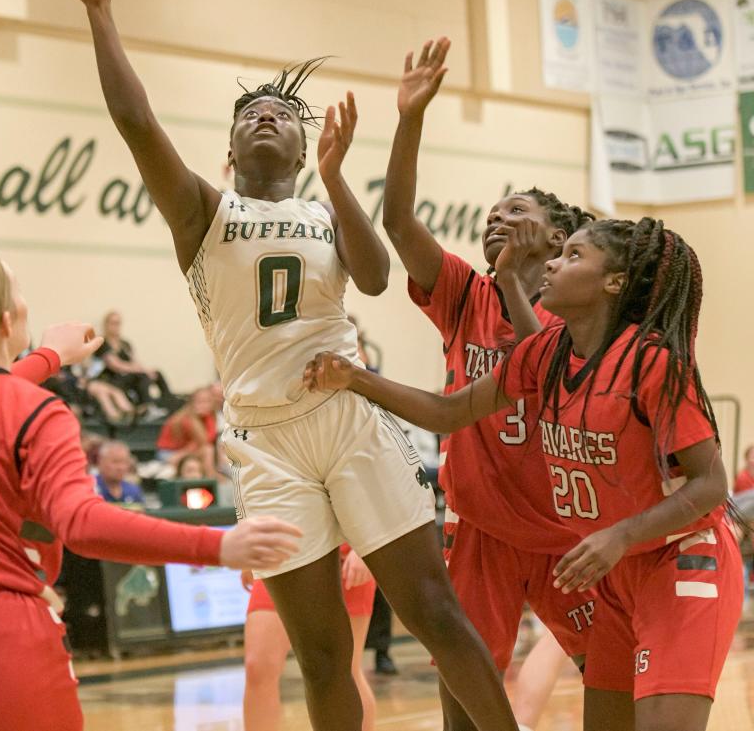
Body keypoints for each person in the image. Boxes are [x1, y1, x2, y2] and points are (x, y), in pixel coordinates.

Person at [47, 0, 521, 731]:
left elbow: (371, 277)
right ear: (231, 149)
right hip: (265, 443)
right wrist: (101, 12)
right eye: (250, 114)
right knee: (323, 655)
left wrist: (336, 178)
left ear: (303, 148)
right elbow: (137, 122)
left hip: (348, 417)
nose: (266, 116)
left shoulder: (325, 209)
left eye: (283, 113)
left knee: (434, 611)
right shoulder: (203, 209)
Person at [0, 248, 301, 731]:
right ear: (7, 322)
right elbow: (82, 523)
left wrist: (49, 357)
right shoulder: (38, 411)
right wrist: (219, 544)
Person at [305, 217, 743, 731]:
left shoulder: (653, 362)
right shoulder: (546, 354)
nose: (554, 263)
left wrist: (619, 535)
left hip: (680, 560)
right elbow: (449, 413)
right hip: (617, 574)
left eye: (574, 256)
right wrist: (354, 378)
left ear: (615, 283)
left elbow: (712, 484)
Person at [382, 38, 597, 730]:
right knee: (464, 708)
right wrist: (410, 117)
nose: (494, 218)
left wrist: (511, 280)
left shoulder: (585, 312)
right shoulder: (461, 294)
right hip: (479, 532)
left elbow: (550, 365)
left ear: (557, 235)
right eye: (490, 213)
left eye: (513, 209)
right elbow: (397, 221)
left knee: (620, 682)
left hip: (570, 533)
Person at [242, 545, 376, 731]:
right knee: (258, 666)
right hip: (282, 552)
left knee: (344, 671)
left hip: (343, 551)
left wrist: (365, 549)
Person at [96, 310, 173, 417]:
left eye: (118, 323)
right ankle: (147, 407)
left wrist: (146, 370)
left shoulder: (125, 343)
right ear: (106, 324)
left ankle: (169, 402)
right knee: (141, 376)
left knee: (156, 373)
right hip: (112, 379)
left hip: (129, 376)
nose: (116, 326)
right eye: (113, 323)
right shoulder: (102, 343)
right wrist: (141, 371)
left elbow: (135, 361)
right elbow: (115, 365)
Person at [157, 387, 218, 476]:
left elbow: (209, 439)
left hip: (184, 452)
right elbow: (201, 442)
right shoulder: (184, 418)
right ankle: (211, 477)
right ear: (192, 403)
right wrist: (195, 419)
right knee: (207, 450)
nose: (203, 405)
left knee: (208, 450)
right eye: (199, 401)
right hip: (168, 453)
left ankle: (211, 477)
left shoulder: (209, 417)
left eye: (207, 401)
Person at [94, 440, 145, 505]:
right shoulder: (90, 488)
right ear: (100, 461)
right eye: (115, 462)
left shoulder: (134, 490)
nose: (120, 468)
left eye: (124, 462)